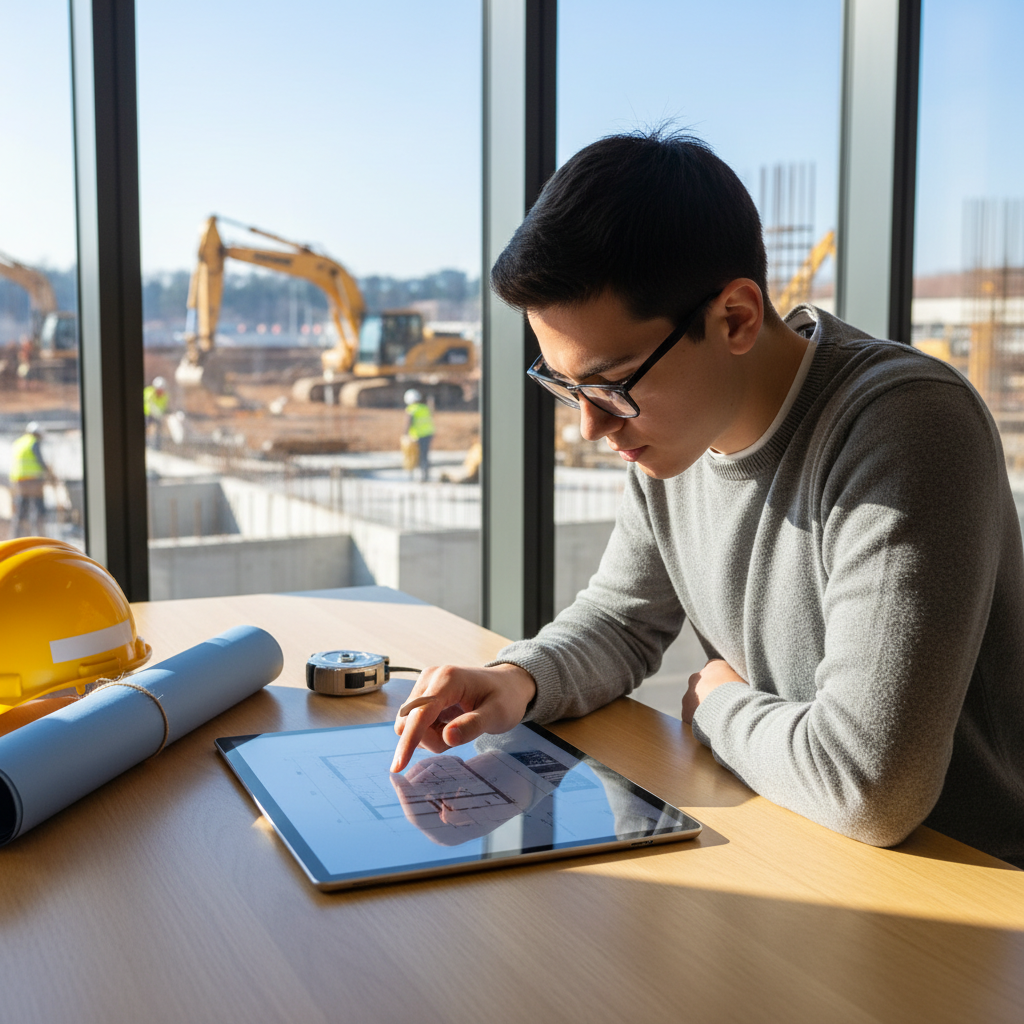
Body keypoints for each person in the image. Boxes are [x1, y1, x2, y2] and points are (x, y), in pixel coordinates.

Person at [391, 130, 1024, 869]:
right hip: (797, 847)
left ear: (735, 319)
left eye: (612, 385)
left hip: (965, 896)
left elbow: (869, 785)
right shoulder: (678, 432)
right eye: (568, 388)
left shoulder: (906, 427)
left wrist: (715, 706)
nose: (593, 424)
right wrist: (517, 680)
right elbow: (622, 620)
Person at [9, 422, 51, 537]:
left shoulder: (19, 442)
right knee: (38, 509)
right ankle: (39, 536)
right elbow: (40, 461)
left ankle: (16, 537)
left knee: (21, 510)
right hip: (33, 482)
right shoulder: (33, 443)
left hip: (19, 481)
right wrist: (49, 473)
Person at [403, 388, 435, 482]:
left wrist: (405, 435)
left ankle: (415, 475)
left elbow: (408, 423)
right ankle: (425, 474)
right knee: (424, 455)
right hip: (428, 434)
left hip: (416, 436)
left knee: (413, 455)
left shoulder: (411, 409)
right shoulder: (424, 407)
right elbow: (431, 414)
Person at [143, 376, 169, 449]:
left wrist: (161, 414)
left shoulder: (164, 396)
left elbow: (164, 407)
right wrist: (152, 411)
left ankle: (157, 445)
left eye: (162, 390)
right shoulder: (149, 392)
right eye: (159, 390)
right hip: (147, 413)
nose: (160, 392)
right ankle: (146, 443)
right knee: (146, 427)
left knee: (158, 428)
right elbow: (148, 403)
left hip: (157, 415)